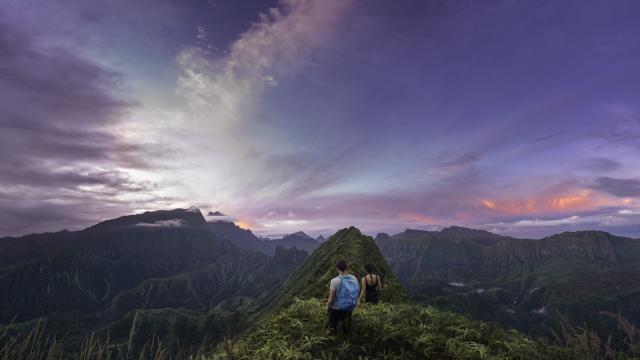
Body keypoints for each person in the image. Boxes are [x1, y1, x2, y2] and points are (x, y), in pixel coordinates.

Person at [326, 260, 359, 334]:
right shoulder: (353, 278)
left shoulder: (334, 281)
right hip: (350, 307)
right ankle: (346, 336)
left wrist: (327, 308)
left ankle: (333, 340)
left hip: (337, 309)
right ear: (346, 268)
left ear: (337, 269)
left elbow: (330, 300)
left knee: (332, 327)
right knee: (346, 325)